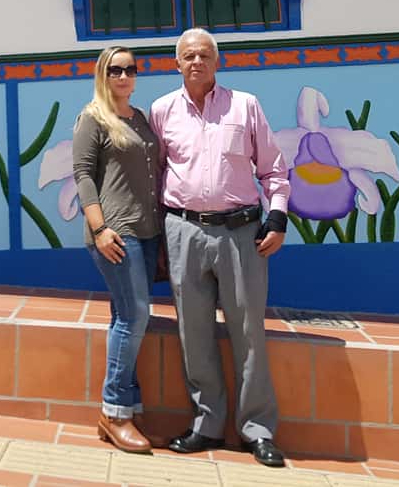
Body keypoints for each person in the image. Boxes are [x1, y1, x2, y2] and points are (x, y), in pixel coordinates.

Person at [148, 28, 289, 468]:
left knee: (248, 332)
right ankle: (207, 423)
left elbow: (273, 169)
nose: (197, 62)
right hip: (183, 232)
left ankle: (257, 430)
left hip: (240, 233)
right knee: (194, 333)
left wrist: (278, 216)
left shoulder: (245, 106)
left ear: (217, 61)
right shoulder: (162, 111)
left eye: (204, 55)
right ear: (177, 63)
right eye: (188, 56)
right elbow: (156, 174)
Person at [73, 45, 163, 454]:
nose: (124, 76)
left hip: (147, 232)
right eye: (115, 70)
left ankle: (127, 408)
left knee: (125, 316)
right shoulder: (92, 118)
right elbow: (83, 175)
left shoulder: (140, 118)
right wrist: (100, 228)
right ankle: (114, 413)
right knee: (135, 315)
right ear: (102, 74)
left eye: (130, 69)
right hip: (116, 233)